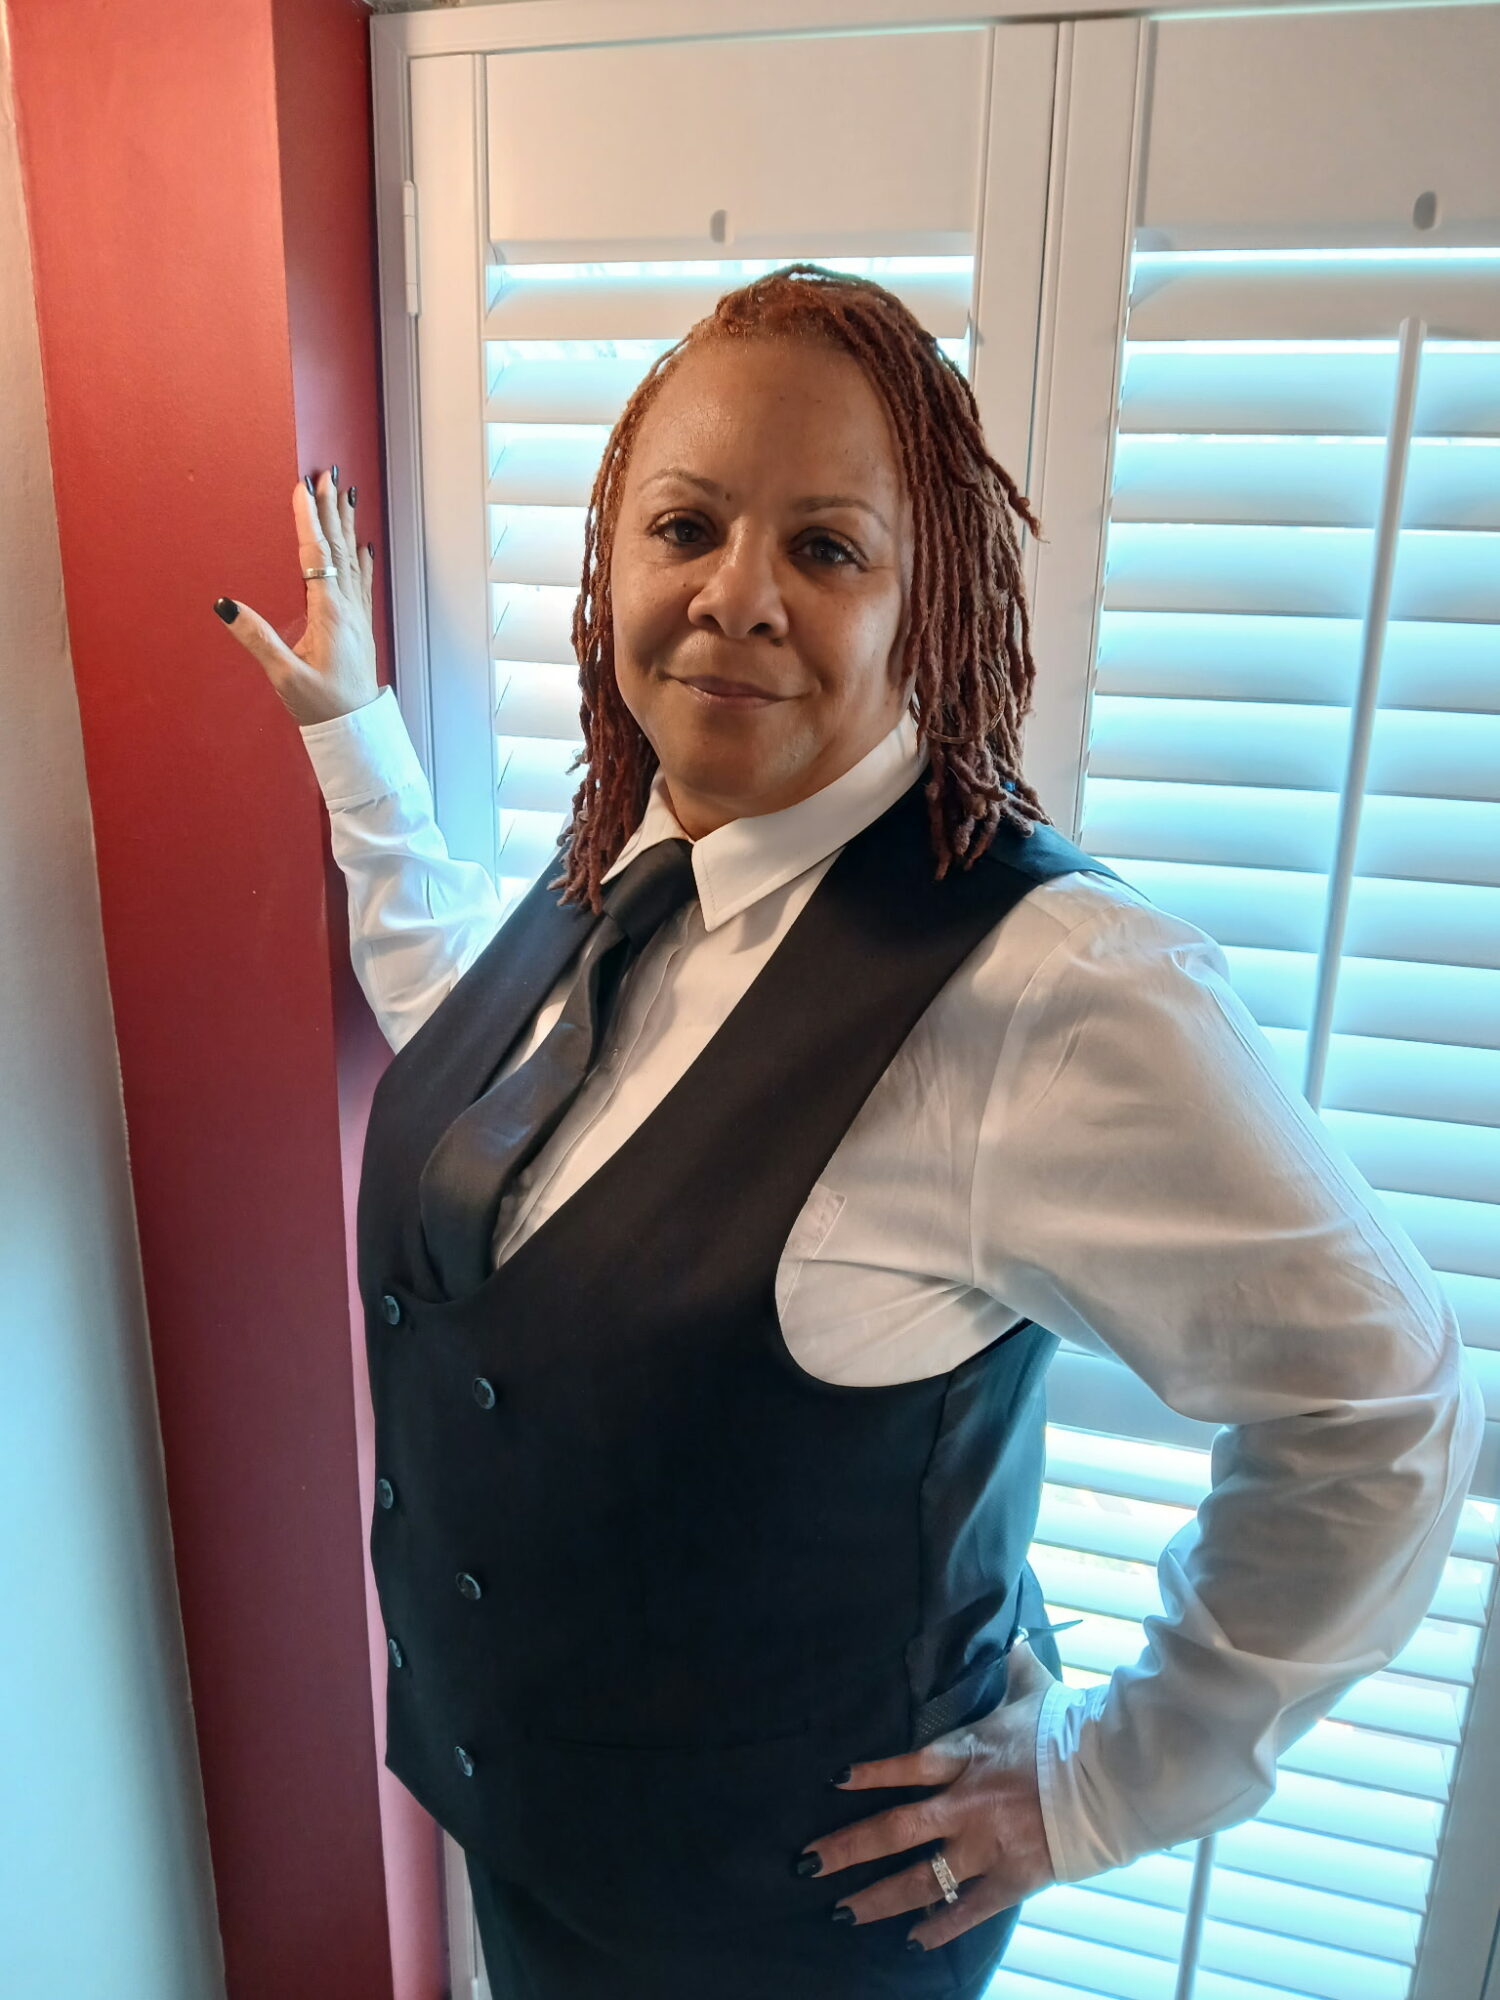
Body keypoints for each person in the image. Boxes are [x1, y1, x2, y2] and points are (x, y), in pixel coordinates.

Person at [214, 266, 1483, 2000]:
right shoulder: (622, 865)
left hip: (790, 1938)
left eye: (825, 548)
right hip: (535, 1849)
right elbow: (486, 1063)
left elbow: (1380, 1399)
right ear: (609, 562)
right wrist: (358, 744)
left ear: (924, 599)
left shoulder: (1046, 992)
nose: (735, 597)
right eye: (686, 526)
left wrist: (1102, 1787)